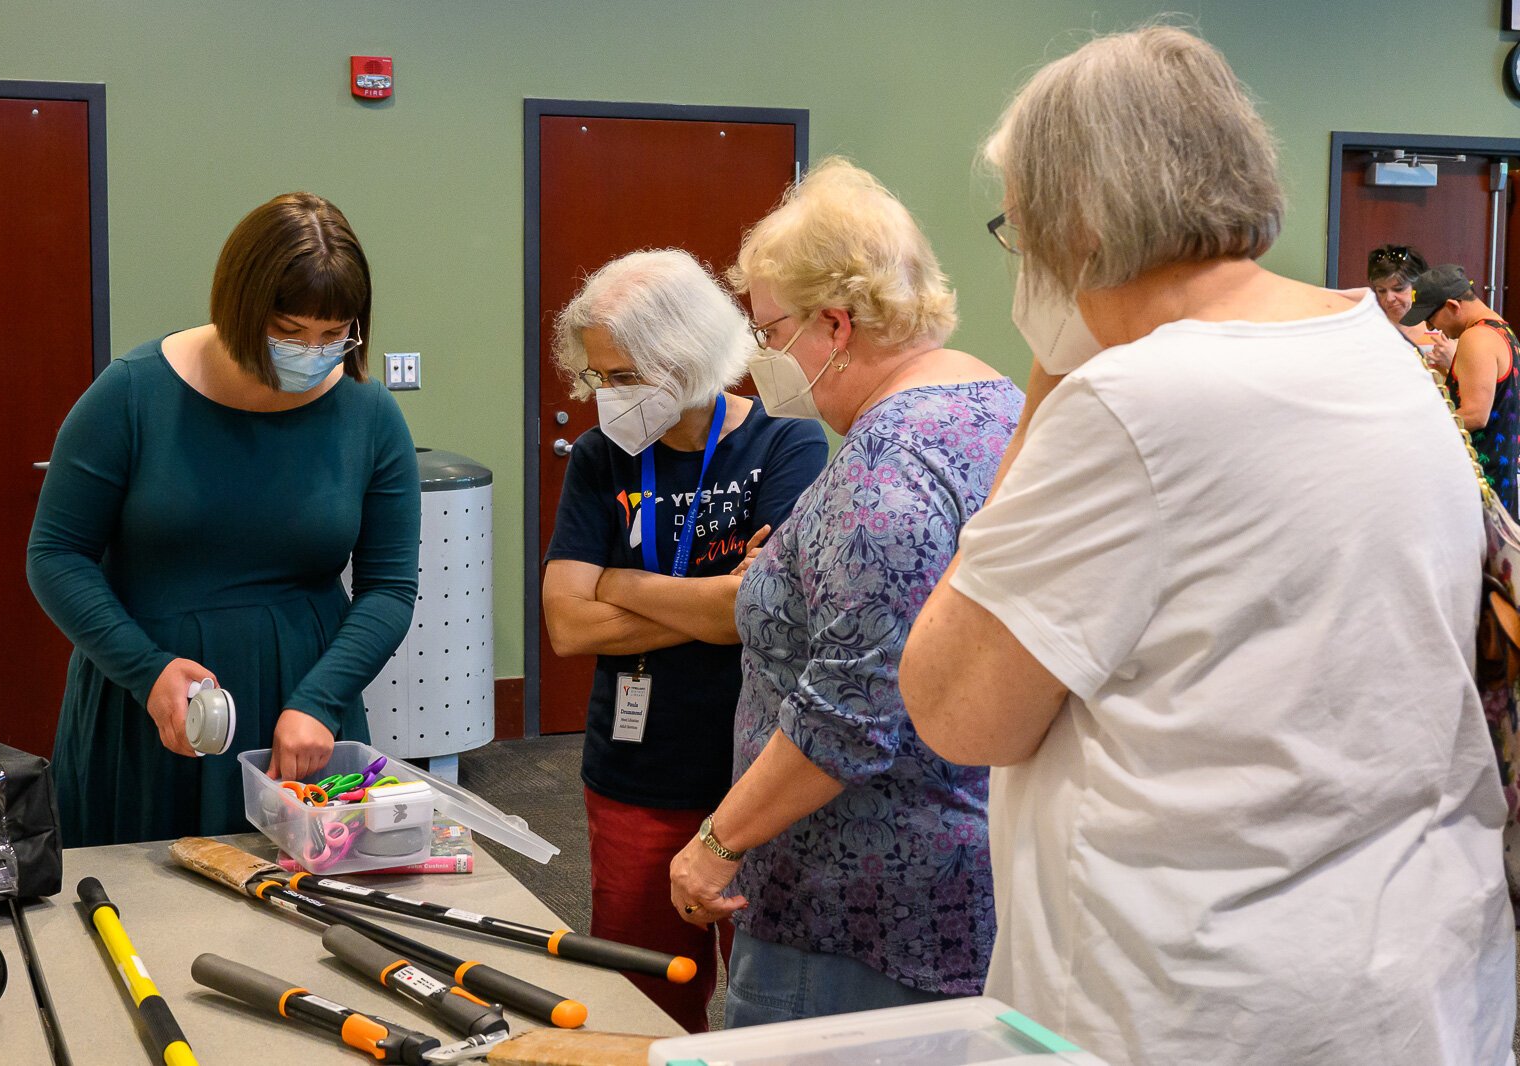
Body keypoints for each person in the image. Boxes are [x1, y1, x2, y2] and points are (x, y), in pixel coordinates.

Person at [902, 27, 1514, 1066]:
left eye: (1022, 226)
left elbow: (958, 710)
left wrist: (1052, 380)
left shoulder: (1131, 401)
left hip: (1189, 1007)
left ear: (1082, 219)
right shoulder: (1377, 350)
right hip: (1414, 980)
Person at [667, 158, 1022, 1026]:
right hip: (969, 863)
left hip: (849, 912)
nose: (759, 363)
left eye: (767, 333)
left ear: (834, 323)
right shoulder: (995, 404)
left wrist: (716, 846)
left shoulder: (885, 471)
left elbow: (850, 717)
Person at [27, 192, 420, 847]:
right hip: (151, 707)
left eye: (333, 335)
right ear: (239, 309)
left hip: (304, 710)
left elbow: (389, 588)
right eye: (290, 333)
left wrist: (321, 699)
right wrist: (145, 669)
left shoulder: (369, 415)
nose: (313, 353)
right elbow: (56, 554)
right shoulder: (131, 395)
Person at [542, 248, 827, 1032]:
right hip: (635, 773)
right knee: (642, 1003)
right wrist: (717, 598)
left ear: (689, 358)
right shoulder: (603, 457)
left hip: (756, 775)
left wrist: (616, 580)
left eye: (627, 376)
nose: (610, 398)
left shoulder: (786, 442)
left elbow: (765, 610)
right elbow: (566, 624)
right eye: (600, 377)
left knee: (767, 1007)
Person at [1401, 263, 1520, 518]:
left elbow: (1477, 415)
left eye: (1431, 319)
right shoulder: (1502, 331)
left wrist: (1415, 426)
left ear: (1453, 306)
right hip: (1500, 483)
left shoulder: (1476, 338)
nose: (1433, 329)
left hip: (1480, 485)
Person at [1366, 243, 1454, 370]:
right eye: (1381, 291)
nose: (1389, 299)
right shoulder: (1373, 330)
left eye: (1398, 289)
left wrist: (1453, 363)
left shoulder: (1444, 330)